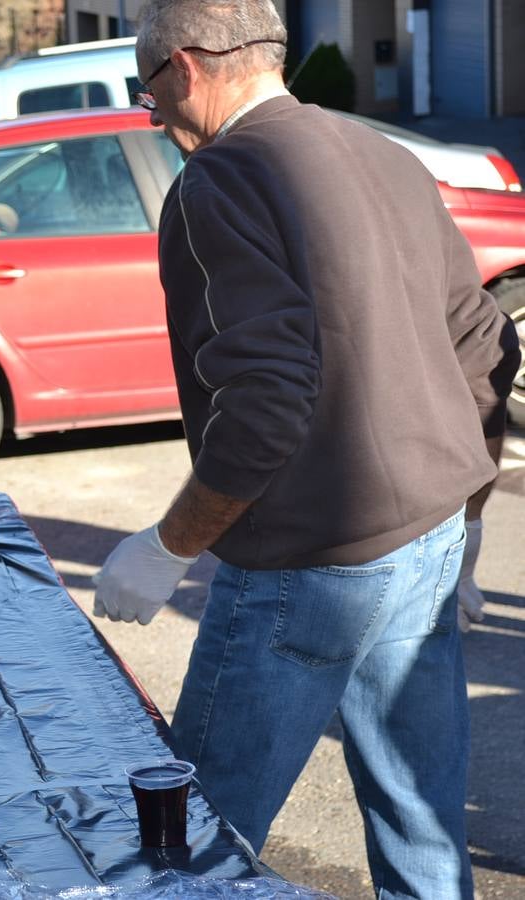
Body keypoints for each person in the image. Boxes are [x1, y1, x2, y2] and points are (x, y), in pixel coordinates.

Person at [92, 1, 520, 897]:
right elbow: (485, 343)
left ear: (187, 68)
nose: (155, 115)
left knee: (192, 838)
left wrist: (169, 545)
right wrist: (470, 517)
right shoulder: (386, 154)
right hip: (428, 542)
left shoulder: (217, 183)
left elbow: (266, 399)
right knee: (422, 820)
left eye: (148, 92)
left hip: (311, 568)